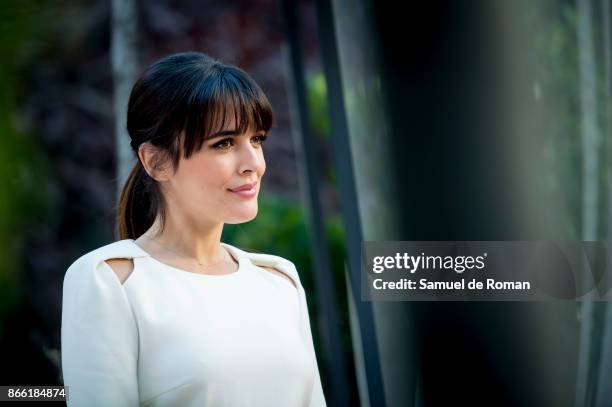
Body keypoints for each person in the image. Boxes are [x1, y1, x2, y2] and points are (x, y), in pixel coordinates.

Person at [60, 52, 327, 407]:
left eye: (257, 139)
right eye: (224, 144)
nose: (253, 164)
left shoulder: (280, 281)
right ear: (156, 161)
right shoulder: (110, 282)